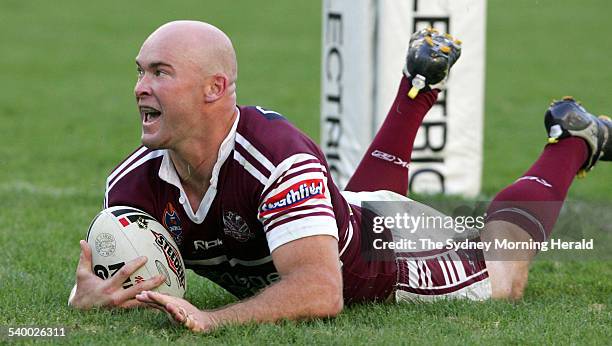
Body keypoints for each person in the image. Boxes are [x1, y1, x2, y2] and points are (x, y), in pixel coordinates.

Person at [68, 21, 611, 332]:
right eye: (139, 70)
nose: (140, 85)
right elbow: (119, 276)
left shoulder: (277, 158)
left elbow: (322, 292)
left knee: (502, 274)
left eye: (160, 72)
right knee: (354, 202)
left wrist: (213, 321)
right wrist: (90, 296)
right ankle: (416, 85)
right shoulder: (131, 185)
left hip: (390, 255)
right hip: (349, 214)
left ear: (214, 88)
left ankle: (570, 139)